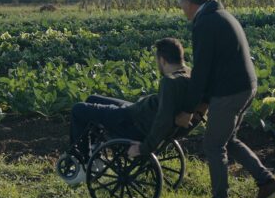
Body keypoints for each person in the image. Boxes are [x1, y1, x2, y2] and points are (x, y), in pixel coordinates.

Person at [174, 0, 275, 198]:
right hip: (245, 86)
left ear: (191, 2)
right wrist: (202, 104)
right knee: (228, 139)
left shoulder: (205, 23)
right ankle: (267, 183)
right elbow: (214, 66)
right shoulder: (221, 15)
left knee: (213, 144)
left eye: (181, 2)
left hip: (230, 91)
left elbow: (203, 71)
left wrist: (189, 107)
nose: (181, 7)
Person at [66, 37, 202, 184]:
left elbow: (163, 120)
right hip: (138, 112)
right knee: (92, 99)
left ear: (162, 60)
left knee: (78, 109)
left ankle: (84, 163)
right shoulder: (190, 74)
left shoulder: (170, 81)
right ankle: (94, 155)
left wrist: (144, 148)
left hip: (132, 121)